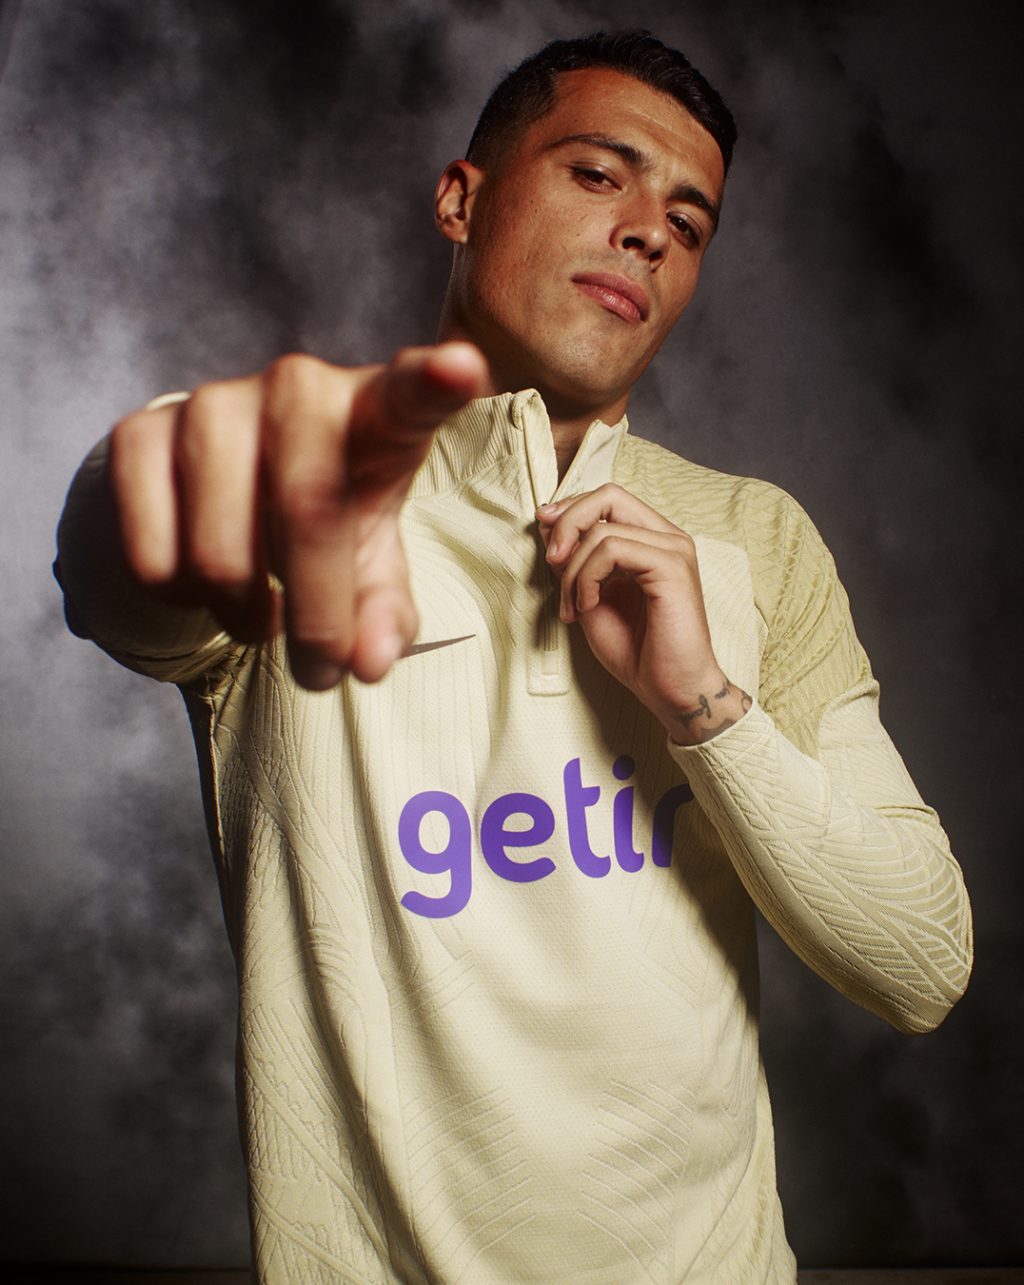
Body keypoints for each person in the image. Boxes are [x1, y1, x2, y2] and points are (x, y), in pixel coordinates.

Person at [55, 30, 972, 1285]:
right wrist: (165, 464)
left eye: (690, 221)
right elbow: (127, 571)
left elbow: (920, 963)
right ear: (459, 198)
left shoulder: (756, 536)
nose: (650, 228)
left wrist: (705, 707)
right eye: (601, 173)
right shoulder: (315, 484)